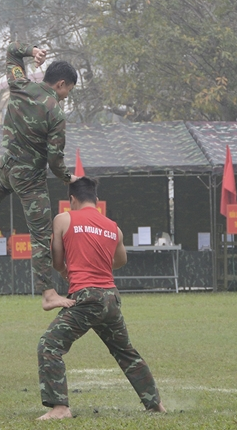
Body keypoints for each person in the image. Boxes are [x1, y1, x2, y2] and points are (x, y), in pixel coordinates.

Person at [0, 41, 78, 311]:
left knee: (4, 183)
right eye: (68, 90)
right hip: (31, 179)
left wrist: (32, 51)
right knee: (41, 234)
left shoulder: (20, 84)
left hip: (6, 166)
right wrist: (69, 179)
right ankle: (48, 294)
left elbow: (11, 51)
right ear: (60, 84)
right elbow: (56, 159)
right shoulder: (54, 111)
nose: (67, 95)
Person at [36, 176, 166, 420]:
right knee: (126, 352)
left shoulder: (63, 219)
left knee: (49, 345)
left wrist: (70, 267)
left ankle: (60, 407)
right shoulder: (112, 227)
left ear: (72, 199)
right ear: (96, 200)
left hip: (87, 298)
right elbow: (120, 261)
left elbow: (56, 261)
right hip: (111, 299)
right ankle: (155, 404)